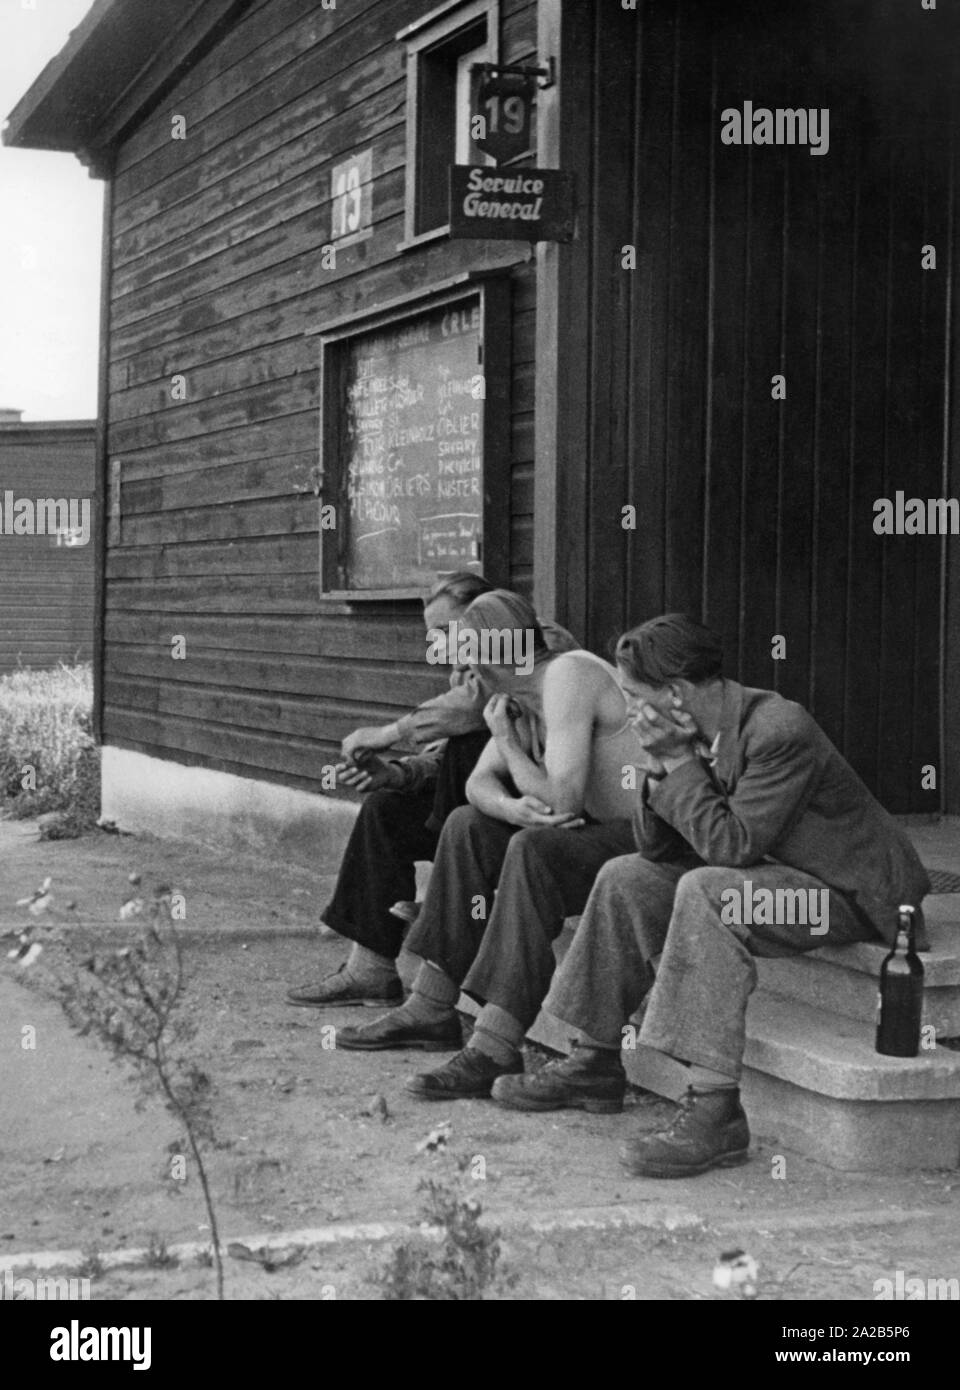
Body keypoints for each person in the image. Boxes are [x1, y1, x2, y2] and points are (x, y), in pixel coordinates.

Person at [490, 613, 932, 1178]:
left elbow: (731, 846)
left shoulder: (777, 729)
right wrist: (658, 767)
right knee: (625, 875)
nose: (628, 711)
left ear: (674, 693)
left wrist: (677, 764)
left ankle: (715, 1108)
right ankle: (594, 1059)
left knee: (710, 892)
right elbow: (656, 851)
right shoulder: (691, 731)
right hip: (776, 872)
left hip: (848, 892)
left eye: (633, 696)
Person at [335, 590, 644, 1104]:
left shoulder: (566, 676)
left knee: (531, 848)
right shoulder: (516, 695)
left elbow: (563, 800)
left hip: (643, 835)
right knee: (466, 823)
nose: (467, 676)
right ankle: (431, 1006)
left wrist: (506, 745)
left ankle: (497, 1044)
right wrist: (508, 806)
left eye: (470, 660)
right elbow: (480, 785)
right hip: (591, 831)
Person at [286, 572, 577, 1009]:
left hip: (551, 803)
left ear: (483, 611)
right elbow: (457, 748)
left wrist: (391, 732)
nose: (438, 647)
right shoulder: (470, 659)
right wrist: (400, 775)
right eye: (432, 637)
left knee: (466, 741)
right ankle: (370, 970)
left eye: (445, 631)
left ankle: (445, 894)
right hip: (497, 798)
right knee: (386, 809)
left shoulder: (539, 640)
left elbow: (475, 710)